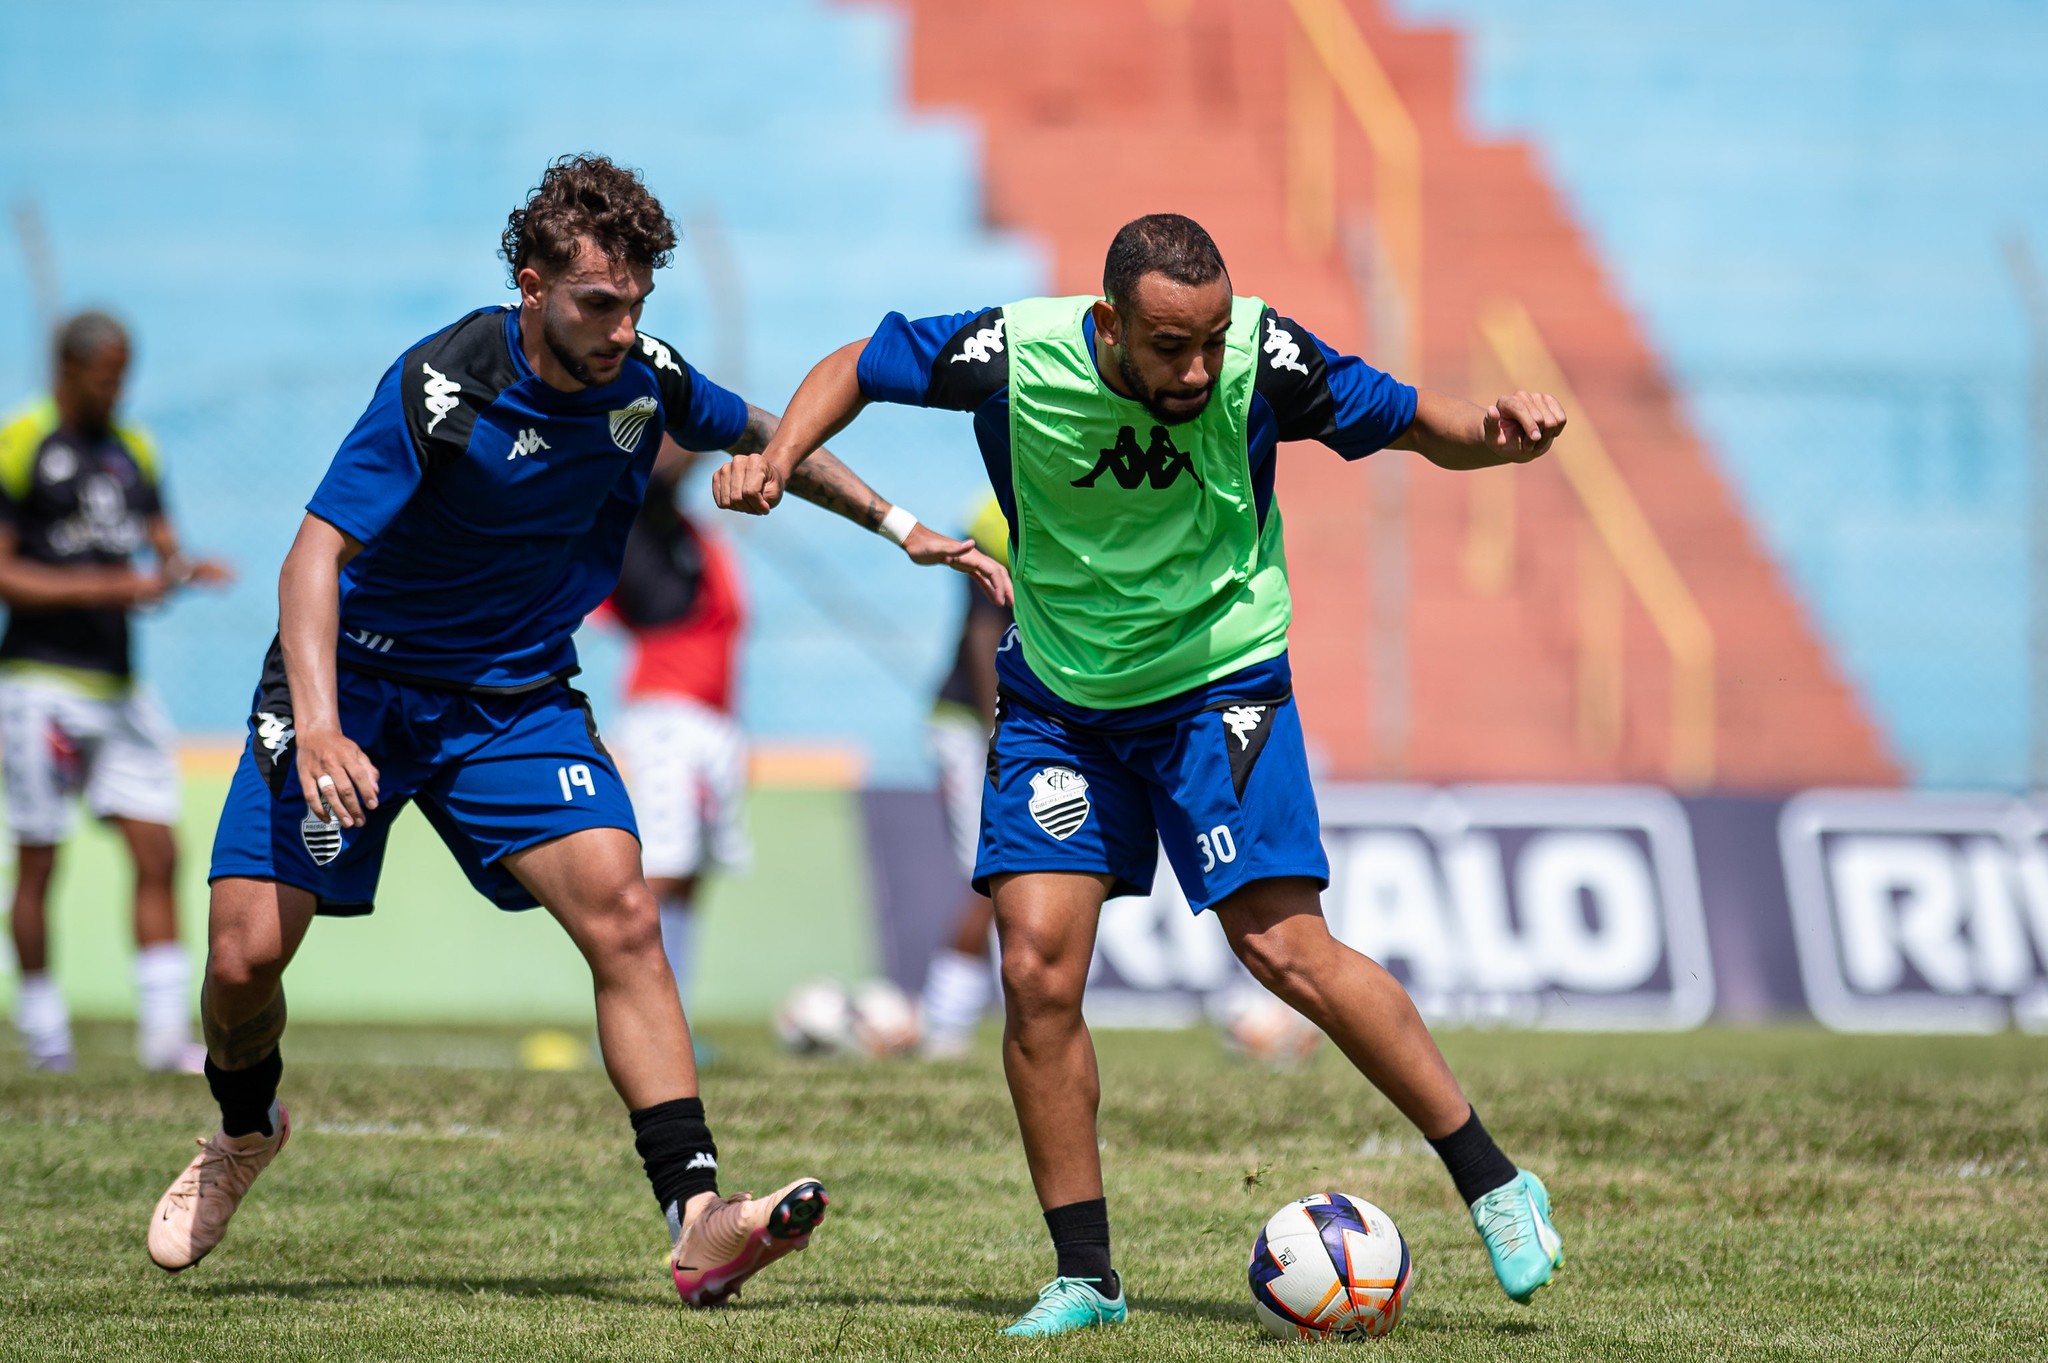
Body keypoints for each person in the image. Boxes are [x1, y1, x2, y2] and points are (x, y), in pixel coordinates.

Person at [144, 155, 1009, 1306]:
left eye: (637, 303)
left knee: (624, 911)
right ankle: (245, 1126)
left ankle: (697, 1216)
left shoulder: (644, 377)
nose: (622, 329)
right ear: (532, 286)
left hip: (510, 698)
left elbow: (765, 429)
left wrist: (899, 525)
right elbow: (313, 556)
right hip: (351, 685)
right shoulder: (441, 385)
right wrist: (315, 725)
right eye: (599, 304)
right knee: (245, 958)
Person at [716, 213, 1570, 1337]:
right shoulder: (1015, 355)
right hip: (1060, 701)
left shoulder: (1263, 356)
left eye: (1211, 338)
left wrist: (1492, 434)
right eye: (1172, 346)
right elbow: (859, 364)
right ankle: (1087, 1277)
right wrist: (781, 457)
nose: (1200, 369)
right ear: (1109, 324)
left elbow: (1414, 419)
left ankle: (1494, 1183)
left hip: (1219, 686)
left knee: (1282, 949)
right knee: (1034, 970)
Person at [0, 311, 232, 1074]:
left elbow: (160, 544)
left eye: (124, 374)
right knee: (40, 858)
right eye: (106, 375)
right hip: (38, 682)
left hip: (119, 686)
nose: (117, 389)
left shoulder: (134, 448)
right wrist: (111, 586)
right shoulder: (22, 443)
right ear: (70, 369)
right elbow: (7, 572)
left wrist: (182, 569)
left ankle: (165, 1037)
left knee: (157, 848)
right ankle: (45, 1032)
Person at [604, 446, 750, 1018]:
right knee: (663, 870)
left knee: (690, 876)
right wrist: (697, 423)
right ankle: (634, 1019)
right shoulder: (637, 514)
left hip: (712, 720)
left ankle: (672, 1019)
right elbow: (649, 469)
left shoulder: (685, 531)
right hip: (668, 715)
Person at [916, 493, 1009, 1058]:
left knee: (1013, 873)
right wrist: (1000, 735)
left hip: (1021, 721)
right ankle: (943, 1021)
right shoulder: (995, 512)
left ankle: (949, 1020)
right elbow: (984, 628)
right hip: (976, 723)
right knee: (997, 872)